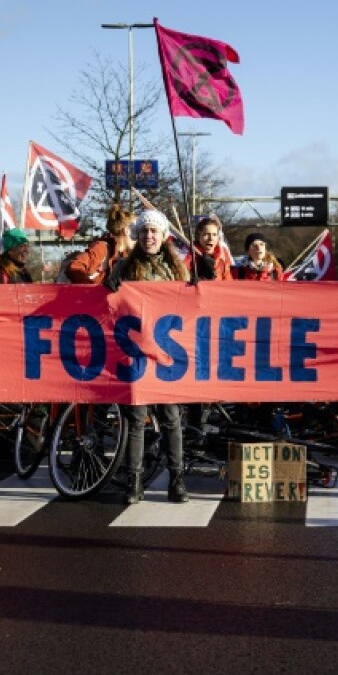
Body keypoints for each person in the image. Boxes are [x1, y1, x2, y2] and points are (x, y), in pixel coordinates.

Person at [113, 208, 191, 505]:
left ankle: (176, 480)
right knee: (136, 419)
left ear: (163, 236)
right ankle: (134, 481)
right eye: (144, 231)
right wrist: (109, 289)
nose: (148, 236)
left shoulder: (177, 269)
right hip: (135, 352)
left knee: (171, 419)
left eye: (153, 231)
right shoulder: (124, 268)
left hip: (167, 354)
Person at [64, 203, 134, 285]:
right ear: (126, 230)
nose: (138, 236)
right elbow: (74, 267)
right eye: (137, 230)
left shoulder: (125, 255)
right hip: (92, 297)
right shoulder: (101, 248)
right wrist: (92, 291)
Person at [191, 213, 233, 281]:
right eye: (206, 234)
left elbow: (228, 281)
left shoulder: (222, 254)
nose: (211, 238)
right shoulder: (190, 254)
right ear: (198, 236)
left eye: (214, 234)